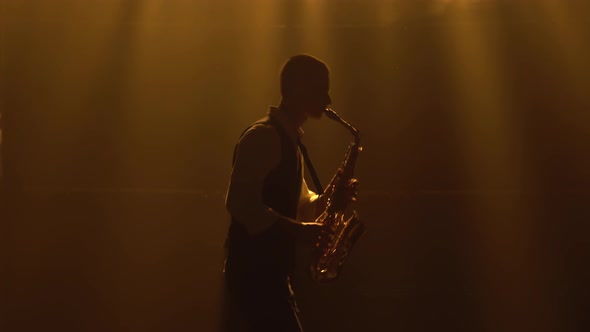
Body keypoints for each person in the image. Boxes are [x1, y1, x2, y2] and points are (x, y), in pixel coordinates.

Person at [223, 54, 356, 331]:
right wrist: (297, 231)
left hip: (271, 278)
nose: (328, 100)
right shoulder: (263, 136)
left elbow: (302, 208)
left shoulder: (289, 142)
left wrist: (333, 194)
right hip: (253, 278)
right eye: (322, 89)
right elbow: (240, 204)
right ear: (298, 88)